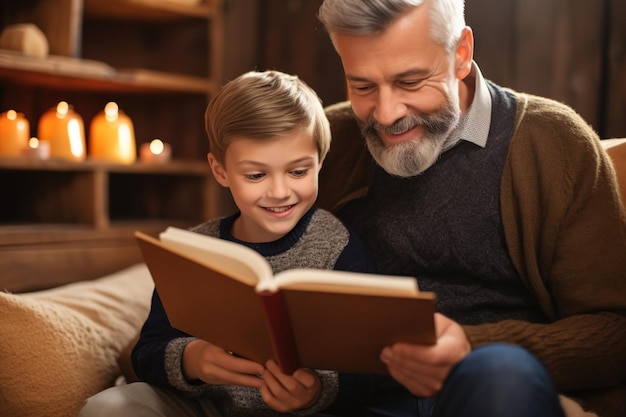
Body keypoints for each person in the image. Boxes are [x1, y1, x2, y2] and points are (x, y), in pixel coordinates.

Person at [315, 0, 626, 417]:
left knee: (499, 373)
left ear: (460, 54)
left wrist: (472, 347)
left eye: (410, 82)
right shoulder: (326, 142)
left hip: (496, 390)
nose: (387, 115)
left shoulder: (555, 142)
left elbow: (614, 331)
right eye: (363, 86)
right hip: (357, 394)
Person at [78, 70, 372, 416]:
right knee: (109, 407)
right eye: (256, 175)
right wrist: (192, 360)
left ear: (319, 163)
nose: (280, 191)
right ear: (220, 171)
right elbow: (148, 351)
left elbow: (368, 365)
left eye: (298, 172)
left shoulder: (338, 245)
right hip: (205, 406)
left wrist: (317, 392)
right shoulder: (194, 249)